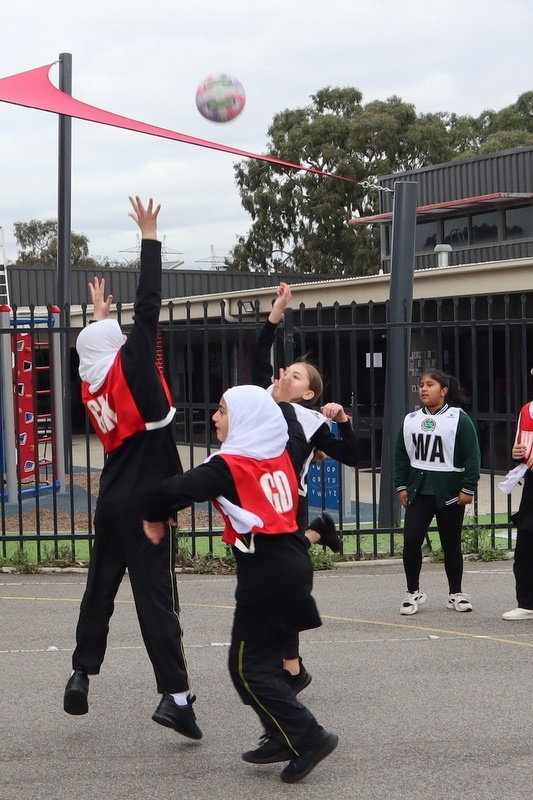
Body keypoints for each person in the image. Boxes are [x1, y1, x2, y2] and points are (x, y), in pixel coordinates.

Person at [143, 383, 338, 784]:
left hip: (267, 573)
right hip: (289, 565)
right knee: (259, 664)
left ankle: (308, 735)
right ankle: (283, 735)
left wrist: (152, 515)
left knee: (247, 669)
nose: (214, 417)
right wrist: (279, 398)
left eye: (222, 410)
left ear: (246, 419)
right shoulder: (280, 454)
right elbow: (292, 429)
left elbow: (172, 490)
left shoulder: (231, 466)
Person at [63, 196, 201, 740]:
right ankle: (176, 697)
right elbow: (149, 306)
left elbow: (97, 348)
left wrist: (96, 317)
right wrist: (149, 238)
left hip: (112, 495)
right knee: (155, 602)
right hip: (149, 499)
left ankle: (81, 672)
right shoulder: (135, 367)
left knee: (100, 589)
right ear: (120, 348)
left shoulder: (91, 380)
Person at [252, 281, 359, 689]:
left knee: (281, 586)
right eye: (286, 370)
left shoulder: (313, 422)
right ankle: (317, 532)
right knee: (268, 582)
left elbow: (353, 457)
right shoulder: (264, 397)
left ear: (309, 392)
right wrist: (276, 312)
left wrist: (344, 421)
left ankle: (292, 668)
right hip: (255, 500)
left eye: (295, 375)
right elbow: (260, 354)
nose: (285, 374)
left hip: (287, 502)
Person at [394, 369, 481, 616]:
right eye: (421, 384)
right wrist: (401, 485)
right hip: (419, 492)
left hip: (451, 492)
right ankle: (413, 592)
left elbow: (472, 455)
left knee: (451, 543)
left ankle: (456, 593)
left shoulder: (458, 418)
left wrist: (468, 487)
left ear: (443, 390)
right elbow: (401, 454)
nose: (423, 389)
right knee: (411, 540)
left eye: (430, 385)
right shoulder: (410, 419)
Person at [499, 379, 533, 620]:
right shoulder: (527, 409)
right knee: (526, 544)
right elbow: (520, 448)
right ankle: (527, 603)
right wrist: (516, 454)